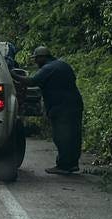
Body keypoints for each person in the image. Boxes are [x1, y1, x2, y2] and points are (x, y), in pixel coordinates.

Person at [23, 46, 83, 175]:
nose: (35, 62)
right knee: (73, 135)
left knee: (61, 136)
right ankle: (73, 164)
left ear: (42, 57)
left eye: (36, 59)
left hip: (61, 107)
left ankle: (63, 165)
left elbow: (32, 81)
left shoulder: (49, 68)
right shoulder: (63, 65)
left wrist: (13, 75)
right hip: (75, 104)